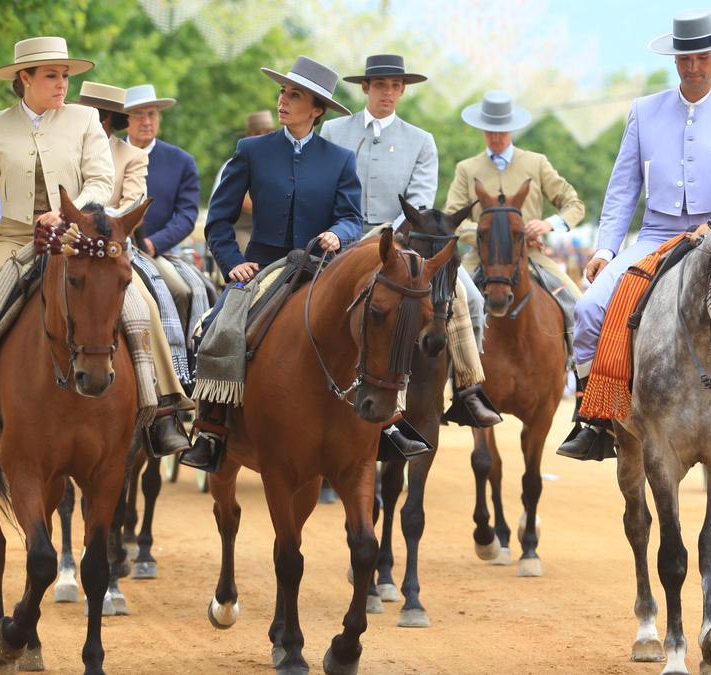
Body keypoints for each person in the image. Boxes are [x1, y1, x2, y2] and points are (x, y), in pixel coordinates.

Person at [558, 10, 711, 470]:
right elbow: (622, 188)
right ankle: (591, 417)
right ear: (676, 60)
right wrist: (605, 249)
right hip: (655, 233)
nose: (693, 65)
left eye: (702, 57)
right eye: (685, 57)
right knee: (590, 308)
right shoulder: (643, 111)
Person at [0, 36, 116, 460]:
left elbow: (102, 184)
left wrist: (69, 212)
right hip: (13, 239)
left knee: (141, 303)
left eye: (65, 75)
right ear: (24, 78)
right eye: (52, 75)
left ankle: (164, 408)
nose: (62, 83)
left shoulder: (86, 120)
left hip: (77, 238)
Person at [181, 56, 362, 470]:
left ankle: (382, 424)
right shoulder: (251, 151)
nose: (283, 100)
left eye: (294, 95)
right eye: (283, 91)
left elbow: (352, 217)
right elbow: (220, 219)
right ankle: (211, 429)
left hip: (321, 267)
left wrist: (340, 234)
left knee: (373, 326)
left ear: (316, 109)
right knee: (215, 327)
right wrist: (232, 263)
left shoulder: (340, 159)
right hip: (261, 267)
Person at [321, 54, 499, 428]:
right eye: (381, 85)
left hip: (400, 242)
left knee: (471, 298)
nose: (389, 93)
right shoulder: (334, 132)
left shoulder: (421, 140)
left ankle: (467, 389)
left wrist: (383, 239)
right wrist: (340, 233)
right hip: (338, 236)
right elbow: (325, 190)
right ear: (365, 87)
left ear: (402, 91)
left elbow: (417, 202)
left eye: (395, 86)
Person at [78, 80, 193, 455]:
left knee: (152, 301)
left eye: (99, 115)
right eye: (87, 113)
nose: (92, 120)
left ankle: (165, 401)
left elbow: (132, 204)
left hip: (119, 247)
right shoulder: (62, 147)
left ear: (111, 119)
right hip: (67, 248)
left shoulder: (132, 156)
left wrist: (97, 226)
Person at [445, 90, 585, 301]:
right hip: (480, 257)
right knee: (449, 299)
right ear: (482, 129)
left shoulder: (537, 163)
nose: (495, 137)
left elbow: (574, 204)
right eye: (490, 131)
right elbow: (452, 218)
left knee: (577, 302)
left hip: (531, 254)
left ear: (511, 129)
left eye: (501, 131)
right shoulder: (466, 169)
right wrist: (489, 236)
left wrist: (548, 224)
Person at [123, 84, 200, 329]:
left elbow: (186, 215)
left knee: (182, 291)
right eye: (139, 114)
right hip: (110, 249)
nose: (147, 121)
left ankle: (180, 359)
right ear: (125, 120)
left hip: (156, 251)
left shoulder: (181, 161)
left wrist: (154, 243)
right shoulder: (106, 153)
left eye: (152, 114)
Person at [210, 110, 276, 258]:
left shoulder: (280, 163)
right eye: (258, 132)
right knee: (253, 256)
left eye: (268, 132)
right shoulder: (233, 164)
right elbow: (243, 203)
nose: (264, 136)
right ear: (248, 136)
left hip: (273, 234)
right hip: (241, 230)